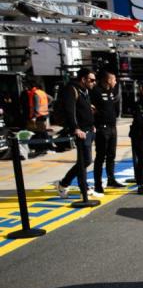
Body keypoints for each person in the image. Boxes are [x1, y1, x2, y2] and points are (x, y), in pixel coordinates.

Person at [54, 68, 101, 199]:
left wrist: (92, 125)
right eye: (91, 80)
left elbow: (84, 110)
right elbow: (70, 111)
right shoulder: (71, 89)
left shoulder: (84, 90)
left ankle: (78, 187)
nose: (93, 83)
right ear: (83, 79)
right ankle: (68, 185)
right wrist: (75, 128)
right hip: (81, 131)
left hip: (88, 129)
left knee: (83, 161)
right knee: (85, 161)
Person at [91, 71, 123, 194]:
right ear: (108, 80)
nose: (115, 81)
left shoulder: (110, 92)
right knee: (100, 157)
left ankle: (111, 179)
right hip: (102, 129)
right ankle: (97, 184)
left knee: (111, 155)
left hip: (112, 127)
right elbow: (91, 107)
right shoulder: (96, 91)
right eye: (114, 79)